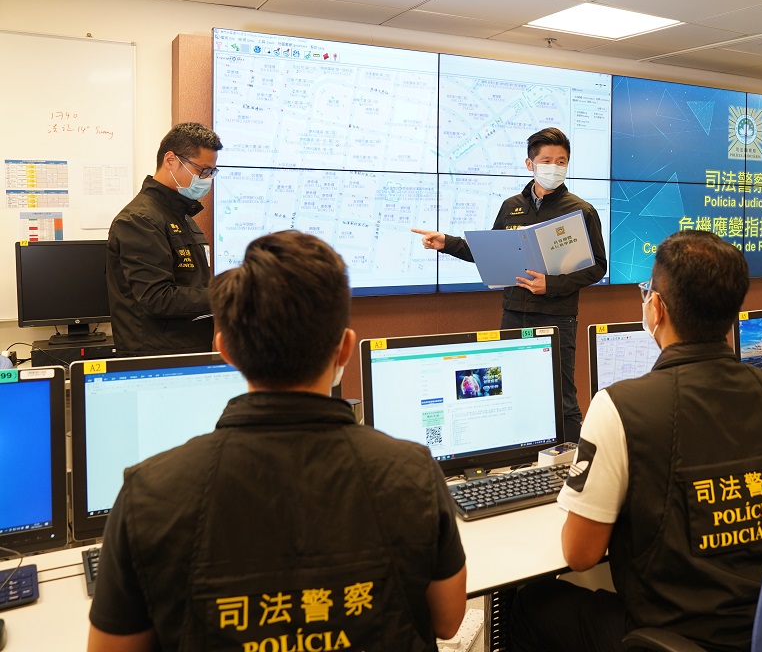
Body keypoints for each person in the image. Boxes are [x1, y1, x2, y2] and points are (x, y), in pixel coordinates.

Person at [87, 231, 467, 652]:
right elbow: (449, 620)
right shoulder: (413, 471)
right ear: (345, 348)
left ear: (225, 350)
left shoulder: (147, 492)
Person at [509, 230, 762, 652]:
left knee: (531, 603)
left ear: (657, 307)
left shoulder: (618, 406)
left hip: (674, 636)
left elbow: (579, 555)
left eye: (647, 290)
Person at [411, 127, 607, 442]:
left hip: (556, 316)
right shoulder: (510, 206)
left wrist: (552, 284)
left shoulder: (580, 210)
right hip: (513, 312)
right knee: (509, 391)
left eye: (561, 161)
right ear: (530, 164)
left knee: (561, 396)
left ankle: (574, 459)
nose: (554, 167)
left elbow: (598, 266)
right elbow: (489, 252)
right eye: (546, 160)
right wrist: (446, 243)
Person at [106, 122, 223, 355]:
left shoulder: (181, 215)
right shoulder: (139, 219)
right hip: (156, 357)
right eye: (202, 170)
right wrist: (225, 295)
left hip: (187, 348)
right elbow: (157, 298)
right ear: (170, 160)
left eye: (212, 172)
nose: (207, 179)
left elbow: (192, 285)